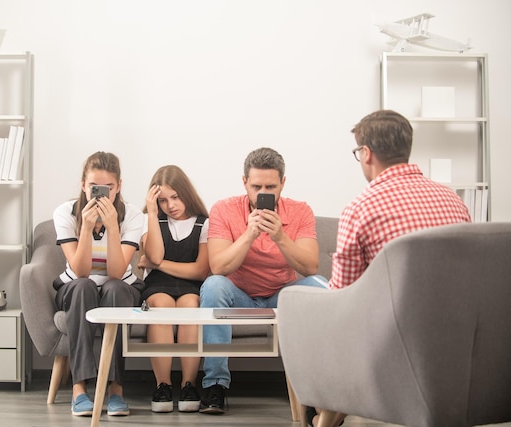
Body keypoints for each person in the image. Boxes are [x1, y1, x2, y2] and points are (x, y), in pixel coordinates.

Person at [308, 110, 471, 427]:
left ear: (366, 153)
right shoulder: (453, 200)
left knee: (324, 305)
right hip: (455, 333)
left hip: (394, 338)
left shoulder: (362, 207)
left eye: (358, 153)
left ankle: (326, 417)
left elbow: (343, 295)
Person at [198, 147, 321, 414]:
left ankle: (315, 391)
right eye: (256, 186)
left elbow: (310, 267)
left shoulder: (300, 212)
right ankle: (214, 385)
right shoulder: (224, 209)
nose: (263, 193)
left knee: (319, 286)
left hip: (281, 296)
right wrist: (249, 234)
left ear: (283, 184)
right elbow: (218, 266)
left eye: (270, 186)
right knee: (213, 285)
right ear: (244, 182)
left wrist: (280, 237)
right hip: (239, 295)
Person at [52, 151, 144, 417]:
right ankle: (79, 389)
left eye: (108, 188)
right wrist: (86, 228)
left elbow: (116, 273)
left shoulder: (133, 215)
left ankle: (115, 389)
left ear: (118, 187)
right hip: (77, 286)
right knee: (84, 287)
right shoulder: (65, 212)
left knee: (113, 288)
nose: (100, 194)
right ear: (83, 185)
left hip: (120, 286)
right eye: (94, 187)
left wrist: (113, 227)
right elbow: (80, 271)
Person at [138, 165, 210, 413]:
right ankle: (163, 385)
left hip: (191, 286)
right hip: (157, 287)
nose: (170, 205)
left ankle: (189, 383)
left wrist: (158, 263)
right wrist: (150, 211)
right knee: (163, 306)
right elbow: (155, 255)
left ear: (186, 192)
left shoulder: (204, 223)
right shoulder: (152, 220)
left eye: (175, 197)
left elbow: (200, 271)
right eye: (162, 200)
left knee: (191, 306)